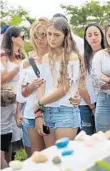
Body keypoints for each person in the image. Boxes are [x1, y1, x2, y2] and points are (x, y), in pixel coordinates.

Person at [34, 17, 86, 146]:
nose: (51, 38)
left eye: (56, 35)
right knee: (51, 159)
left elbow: (64, 89)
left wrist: (40, 102)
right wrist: (39, 111)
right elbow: (42, 85)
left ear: (65, 36)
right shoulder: (46, 58)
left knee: (64, 157)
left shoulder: (72, 57)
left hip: (65, 111)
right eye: (49, 34)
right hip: (47, 111)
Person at [19, 18, 49, 154]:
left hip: (53, 112)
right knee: (36, 154)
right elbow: (22, 94)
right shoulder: (26, 63)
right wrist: (30, 87)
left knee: (53, 153)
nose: (40, 39)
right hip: (31, 113)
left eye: (43, 35)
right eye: (36, 36)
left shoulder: (57, 58)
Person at [1, 26, 25, 168]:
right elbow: (2, 79)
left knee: (12, 138)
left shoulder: (20, 55)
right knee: (5, 136)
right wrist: (18, 68)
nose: (24, 39)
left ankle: (9, 167)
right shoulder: (3, 54)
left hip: (19, 101)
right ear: (13, 38)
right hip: (7, 100)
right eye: (22, 36)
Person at [79, 22, 105, 135]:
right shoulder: (82, 57)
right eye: (89, 35)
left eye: (96, 34)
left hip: (105, 103)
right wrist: (92, 106)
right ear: (85, 38)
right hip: (86, 104)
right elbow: (81, 84)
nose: (93, 38)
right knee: (87, 138)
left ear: (102, 35)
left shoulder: (108, 55)